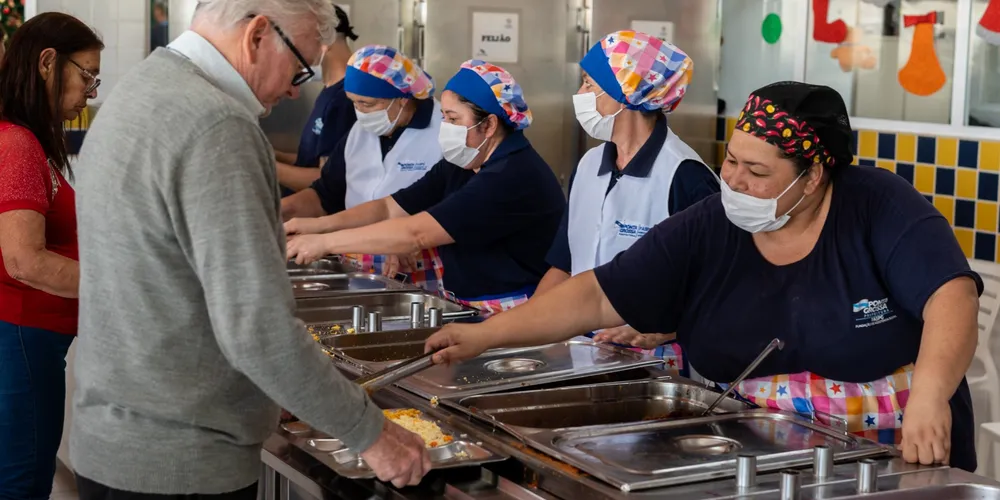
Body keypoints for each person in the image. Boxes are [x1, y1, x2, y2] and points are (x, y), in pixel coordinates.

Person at [425, 82, 981, 472]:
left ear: (813, 176)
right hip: (755, 451)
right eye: (731, 160)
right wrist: (486, 336)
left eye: (756, 171)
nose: (733, 180)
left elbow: (950, 296)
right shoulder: (713, 222)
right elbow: (596, 294)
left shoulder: (878, 206)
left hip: (889, 452)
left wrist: (931, 397)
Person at [70, 2, 430, 498]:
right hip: (182, 459)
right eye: (299, 67)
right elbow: (256, 328)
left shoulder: (140, 88)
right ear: (258, 34)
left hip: (113, 438)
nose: (296, 89)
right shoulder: (218, 125)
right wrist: (372, 434)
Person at [285, 60, 565, 315]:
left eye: (453, 119)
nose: (445, 127)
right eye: (444, 117)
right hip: (469, 304)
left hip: (518, 309)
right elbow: (388, 208)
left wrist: (324, 242)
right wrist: (317, 226)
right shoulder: (463, 163)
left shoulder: (510, 175)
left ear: (489, 125)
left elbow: (416, 233)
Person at [537, 31, 719, 371]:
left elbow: (718, 285)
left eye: (589, 84)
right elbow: (564, 265)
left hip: (654, 363)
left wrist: (664, 329)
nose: (580, 94)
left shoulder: (685, 176)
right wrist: (523, 330)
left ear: (626, 94)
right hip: (584, 347)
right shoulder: (589, 165)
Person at [0, 12, 102, 500]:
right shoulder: (16, 143)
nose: (91, 93)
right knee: (22, 485)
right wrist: (122, 287)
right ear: (47, 62)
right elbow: (25, 260)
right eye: (87, 76)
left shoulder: (28, 141)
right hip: (21, 345)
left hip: (32, 344)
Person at [282, 44, 445, 290]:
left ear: (401, 99)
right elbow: (326, 194)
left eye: (367, 104)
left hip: (421, 262)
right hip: (357, 259)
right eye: (354, 103)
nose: (360, 113)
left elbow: (452, 207)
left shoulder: (444, 131)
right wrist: (281, 212)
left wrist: (401, 238)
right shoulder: (359, 132)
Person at [275, 4, 358, 196]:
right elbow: (310, 159)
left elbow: (327, 178)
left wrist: (269, 166)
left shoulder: (346, 98)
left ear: (325, 36)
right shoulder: (329, 89)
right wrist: (275, 155)